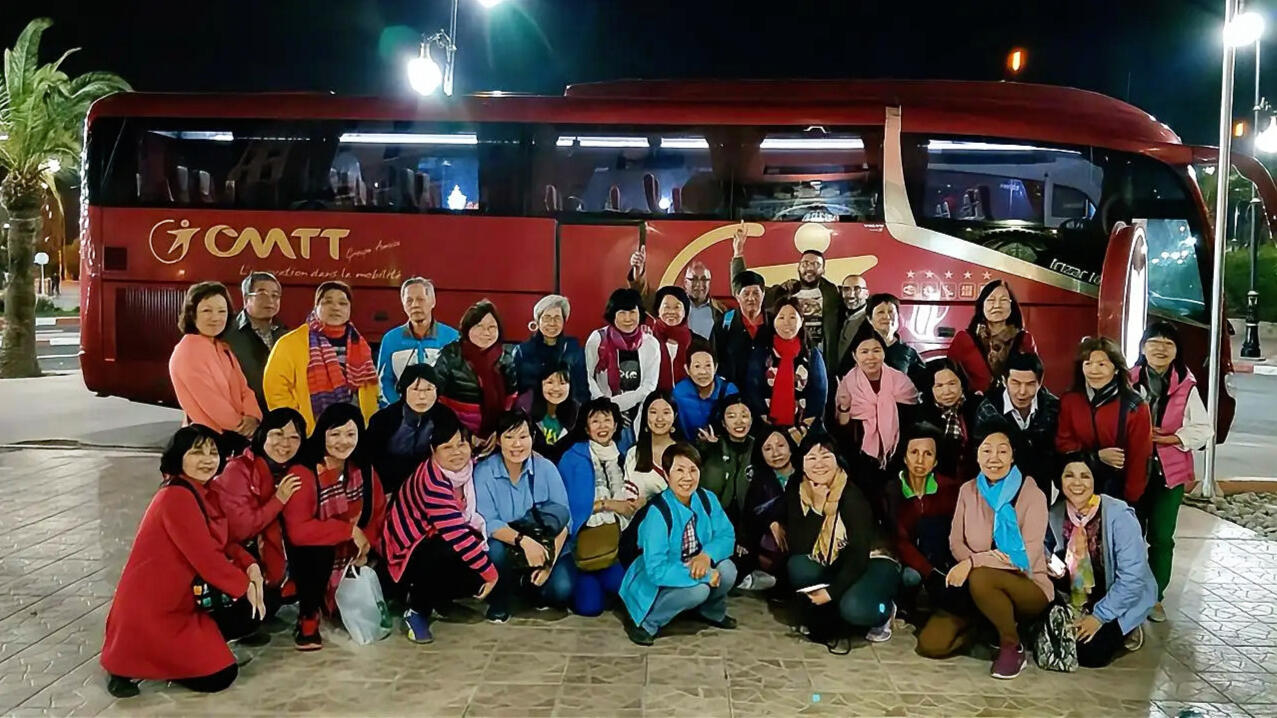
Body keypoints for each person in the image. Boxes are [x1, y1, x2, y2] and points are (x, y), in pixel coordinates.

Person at [102, 426, 267, 698]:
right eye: (197, 452)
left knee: (254, 607)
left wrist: (251, 567)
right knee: (220, 677)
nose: (208, 459)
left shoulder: (204, 491)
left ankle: (195, 649)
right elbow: (207, 559)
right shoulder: (175, 496)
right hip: (155, 610)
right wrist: (245, 586)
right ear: (179, 457)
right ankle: (130, 665)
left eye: (213, 452)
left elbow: (224, 541)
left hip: (186, 600)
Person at [916, 424, 1050, 680]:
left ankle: (1012, 645)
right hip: (975, 588)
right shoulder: (968, 490)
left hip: (1027, 583)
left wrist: (973, 563)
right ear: (977, 456)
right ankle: (989, 625)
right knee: (930, 644)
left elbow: (1028, 555)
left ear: (1013, 456)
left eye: (1002, 451)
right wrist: (973, 562)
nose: (994, 458)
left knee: (983, 577)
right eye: (986, 450)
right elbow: (956, 541)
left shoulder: (1032, 494)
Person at [280, 403, 387, 650]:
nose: (343, 442)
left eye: (351, 434)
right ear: (322, 435)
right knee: (318, 551)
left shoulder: (365, 470)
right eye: (335, 434)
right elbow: (299, 531)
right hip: (312, 555)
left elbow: (377, 514)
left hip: (354, 553)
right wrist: (349, 532)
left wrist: (365, 546)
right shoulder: (303, 471)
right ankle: (308, 618)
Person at [383, 414, 497, 644]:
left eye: (461, 444)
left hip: (434, 538)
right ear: (433, 450)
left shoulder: (464, 470)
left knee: (470, 567)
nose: (457, 452)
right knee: (452, 551)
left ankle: (438, 597)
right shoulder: (433, 481)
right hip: (406, 550)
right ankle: (416, 610)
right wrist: (491, 574)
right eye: (447, 447)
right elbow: (455, 534)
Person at [785, 431, 899, 652]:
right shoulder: (798, 487)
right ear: (802, 463)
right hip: (837, 559)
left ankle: (884, 610)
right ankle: (840, 602)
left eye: (826, 456)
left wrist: (831, 593)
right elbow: (799, 545)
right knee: (798, 566)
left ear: (837, 460)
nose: (819, 464)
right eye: (811, 457)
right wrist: (817, 507)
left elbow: (858, 554)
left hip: (873, 558)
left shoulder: (851, 496)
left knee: (854, 608)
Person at [1129, 322, 1211, 623]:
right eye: (1154, 342)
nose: (1160, 349)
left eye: (1168, 344)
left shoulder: (1186, 386)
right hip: (1132, 472)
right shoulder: (1127, 380)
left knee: (1162, 538)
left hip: (1168, 476)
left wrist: (1173, 438)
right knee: (1129, 536)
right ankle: (1128, 592)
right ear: (1142, 347)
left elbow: (1204, 429)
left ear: (1177, 352)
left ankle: (1155, 597)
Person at [619, 442, 739, 646]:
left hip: (693, 562)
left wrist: (705, 556)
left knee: (728, 570)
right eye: (679, 470)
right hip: (655, 574)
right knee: (699, 589)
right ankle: (647, 623)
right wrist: (706, 574)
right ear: (667, 475)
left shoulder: (707, 498)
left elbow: (727, 536)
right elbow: (656, 569)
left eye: (693, 470)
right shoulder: (658, 511)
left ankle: (709, 611)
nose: (687, 477)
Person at [1047, 455, 1157, 667]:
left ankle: (1130, 628)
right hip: (1079, 596)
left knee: (1090, 654)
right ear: (1059, 481)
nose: (1077, 483)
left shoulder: (1119, 515)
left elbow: (1133, 578)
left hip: (1122, 597)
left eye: (1085, 476)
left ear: (1095, 480)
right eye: (1069, 475)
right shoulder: (1056, 513)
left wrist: (1099, 617)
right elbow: (1045, 551)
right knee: (1056, 643)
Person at [473, 411, 574, 622]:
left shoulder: (546, 468)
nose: (516, 444)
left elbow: (565, 520)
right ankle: (500, 599)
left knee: (562, 590)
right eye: (509, 437)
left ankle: (528, 588)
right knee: (494, 549)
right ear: (499, 440)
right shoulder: (484, 472)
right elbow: (487, 522)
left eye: (523, 437)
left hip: (545, 543)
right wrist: (524, 542)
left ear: (532, 439)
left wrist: (548, 563)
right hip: (506, 541)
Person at [211, 408, 307, 615]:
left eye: (294, 437)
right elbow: (239, 529)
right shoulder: (238, 470)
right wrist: (278, 500)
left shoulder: (294, 471)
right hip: (234, 553)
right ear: (263, 435)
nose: (285, 443)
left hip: (273, 561)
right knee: (250, 614)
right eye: (278, 434)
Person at [263, 281, 379, 433]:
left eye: (343, 303)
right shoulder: (290, 343)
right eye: (327, 301)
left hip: (353, 432)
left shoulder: (360, 344)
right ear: (315, 307)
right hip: (308, 432)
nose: (336, 307)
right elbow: (276, 389)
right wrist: (296, 424)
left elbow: (371, 391)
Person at [557, 398, 635, 616]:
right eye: (596, 421)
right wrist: (608, 504)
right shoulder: (573, 458)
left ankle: (606, 584)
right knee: (590, 609)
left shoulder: (622, 456)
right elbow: (569, 505)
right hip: (582, 548)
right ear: (586, 427)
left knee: (626, 592)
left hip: (610, 547)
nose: (602, 426)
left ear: (616, 424)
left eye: (607, 420)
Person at [731, 226, 842, 376]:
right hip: (787, 358)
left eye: (816, 264)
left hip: (820, 358)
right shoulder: (782, 292)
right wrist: (738, 253)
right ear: (798, 267)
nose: (809, 268)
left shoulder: (833, 294)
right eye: (805, 264)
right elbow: (743, 287)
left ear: (823, 270)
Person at [1056, 336, 1153, 504]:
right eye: (1087, 364)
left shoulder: (1135, 407)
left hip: (1117, 490)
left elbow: (1140, 457)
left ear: (1116, 369)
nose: (1094, 370)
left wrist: (1131, 501)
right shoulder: (1069, 400)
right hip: (1077, 488)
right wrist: (1096, 456)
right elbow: (1063, 444)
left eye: (1102, 364)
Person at [834, 324, 921, 506]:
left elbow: (912, 422)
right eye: (864, 351)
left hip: (897, 460)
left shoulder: (901, 382)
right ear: (854, 355)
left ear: (884, 353)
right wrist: (844, 407)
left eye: (876, 350)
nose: (871, 357)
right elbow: (842, 432)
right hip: (859, 462)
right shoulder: (847, 386)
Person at [168, 281, 262, 449]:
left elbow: (244, 389)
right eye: (207, 311)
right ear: (192, 314)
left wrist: (253, 416)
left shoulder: (222, 348)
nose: (216, 317)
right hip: (208, 443)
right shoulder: (188, 351)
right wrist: (242, 426)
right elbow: (210, 401)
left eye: (222, 311)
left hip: (233, 438)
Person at [886, 423, 959, 613]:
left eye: (928, 454)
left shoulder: (951, 489)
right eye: (914, 452)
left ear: (935, 461)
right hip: (908, 562)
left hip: (941, 558)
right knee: (910, 577)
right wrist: (928, 572)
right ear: (904, 456)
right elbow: (898, 541)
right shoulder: (891, 492)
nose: (920, 460)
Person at [697, 394, 768, 589]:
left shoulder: (760, 448)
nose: (739, 421)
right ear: (723, 422)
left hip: (747, 524)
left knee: (740, 565)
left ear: (752, 419)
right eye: (732, 416)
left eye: (744, 415)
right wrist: (708, 449)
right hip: (712, 522)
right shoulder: (711, 445)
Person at [974, 353, 1061, 497]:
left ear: (1040, 383)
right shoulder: (988, 409)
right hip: (998, 486)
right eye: (1015, 383)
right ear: (1004, 380)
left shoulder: (1052, 407)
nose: (1022, 392)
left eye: (1030, 384)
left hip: (1039, 487)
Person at [364, 364, 457, 497]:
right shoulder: (383, 419)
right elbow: (370, 458)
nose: (422, 397)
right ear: (404, 390)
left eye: (429, 389)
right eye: (415, 389)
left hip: (431, 486)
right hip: (387, 488)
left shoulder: (446, 417)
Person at [434, 300, 518, 441]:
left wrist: (498, 433)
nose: (486, 332)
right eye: (479, 326)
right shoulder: (450, 355)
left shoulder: (505, 358)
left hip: (494, 437)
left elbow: (511, 401)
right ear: (468, 327)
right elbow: (436, 399)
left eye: (492, 327)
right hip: (455, 436)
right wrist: (465, 435)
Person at [744, 298, 829, 431]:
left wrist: (808, 421)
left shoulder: (811, 353)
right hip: (767, 424)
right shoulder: (762, 352)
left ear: (801, 322)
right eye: (781, 317)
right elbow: (752, 386)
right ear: (774, 321)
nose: (787, 323)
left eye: (792, 317)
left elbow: (820, 390)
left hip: (803, 423)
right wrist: (762, 414)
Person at [377, 277, 459, 407]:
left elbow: (458, 381)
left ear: (433, 301)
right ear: (403, 304)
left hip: (440, 413)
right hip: (400, 414)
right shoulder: (390, 339)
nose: (414, 305)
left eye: (420, 299)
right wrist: (400, 408)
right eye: (409, 300)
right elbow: (384, 382)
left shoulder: (452, 337)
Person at [947, 279, 1038, 394]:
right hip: (975, 406)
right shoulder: (964, 339)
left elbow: (1034, 376)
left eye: (1003, 300)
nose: (997, 305)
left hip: (1013, 406)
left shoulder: (1024, 339)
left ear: (1012, 305)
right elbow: (949, 375)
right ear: (982, 305)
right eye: (991, 300)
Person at [585, 288, 662, 423]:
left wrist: (616, 405)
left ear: (640, 314)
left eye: (632, 312)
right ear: (613, 314)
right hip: (603, 412)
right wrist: (606, 407)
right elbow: (587, 377)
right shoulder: (598, 339)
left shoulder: (650, 344)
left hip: (639, 412)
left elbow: (649, 386)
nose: (627, 319)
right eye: (622, 313)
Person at [740, 429, 798, 592]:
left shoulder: (805, 474)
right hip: (769, 542)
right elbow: (751, 514)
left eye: (781, 445)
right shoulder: (759, 480)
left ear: (791, 447)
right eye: (768, 448)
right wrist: (770, 522)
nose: (776, 453)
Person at [224, 271, 288, 413]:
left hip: (277, 416)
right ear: (246, 299)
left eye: (275, 295)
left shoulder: (285, 335)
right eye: (262, 294)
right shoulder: (226, 334)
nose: (270, 300)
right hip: (240, 416)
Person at [629, 246, 725, 340]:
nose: (699, 284)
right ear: (685, 282)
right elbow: (643, 295)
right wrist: (638, 271)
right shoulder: (671, 302)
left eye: (704, 279)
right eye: (693, 279)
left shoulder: (721, 310)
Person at [513, 294, 590, 404]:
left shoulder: (574, 350)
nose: (552, 323)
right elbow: (516, 390)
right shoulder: (522, 351)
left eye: (557, 318)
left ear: (564, 321)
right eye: (547, 318)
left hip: (568, 414)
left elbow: (582, 391)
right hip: (532, 412)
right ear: (538, 321)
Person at [912, 359, 978, 481]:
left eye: (952, 384)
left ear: (962, 384)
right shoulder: (922, 415)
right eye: (939, 386)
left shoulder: (977, 406)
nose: (947, 391)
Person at [852, 293, 926, 385]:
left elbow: (923, 385)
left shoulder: (908, 352)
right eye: (880, 312)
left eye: (891, 312)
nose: (887, 317)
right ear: (869, 319)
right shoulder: (858, 349)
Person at [671, 340, 738, 439]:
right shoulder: (679, 393)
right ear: (687, 369)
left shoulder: (729, 391)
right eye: (697, 366)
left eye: (708, 365)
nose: (703, 372)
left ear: (715, 368)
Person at [624, 390, 682, 504]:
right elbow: (629, 502)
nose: (659, 419)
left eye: (666, 413)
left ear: (674, 416)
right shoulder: (634, 453)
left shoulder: (685, 452)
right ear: (645, 416)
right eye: (653, 412)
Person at [713, 269, 768, 388]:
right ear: (737, 296)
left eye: (756, 293)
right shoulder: (724, 324)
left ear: (763, 294)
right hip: (734, 394)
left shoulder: (775, 323)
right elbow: (715, 360)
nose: (751, 298)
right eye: (746, 293)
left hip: (768, 395)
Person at [515, 363, 580, 463]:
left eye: (562, 383)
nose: (556, 388)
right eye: (550, 382)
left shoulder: (577, 412)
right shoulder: (526, 409)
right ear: (540, 383)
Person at [651, 285, 695, 391]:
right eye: (666, 307)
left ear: (685, 312)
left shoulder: (696, 341)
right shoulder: (648, 338)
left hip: (687, 397)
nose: (671, 312)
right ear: (658, 310)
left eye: (677, 307)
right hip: (655, 400)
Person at [833, 274, 870, 372]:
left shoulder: (873, 321)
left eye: (857, 289)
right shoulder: (836, 316)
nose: (851, 295)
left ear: (866, 294)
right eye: (846, 289)